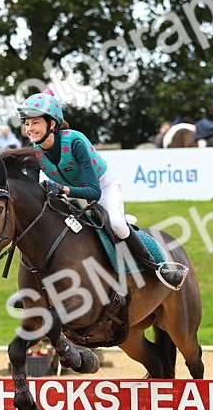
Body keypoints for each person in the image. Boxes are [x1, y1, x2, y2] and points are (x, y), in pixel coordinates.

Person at [18, 90, 186, 289]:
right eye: (27, 123)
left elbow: (93, 191)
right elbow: (33, 192)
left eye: (35, 122)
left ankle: (157, 267)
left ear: (52, 124)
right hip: (70, 195)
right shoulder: (32, 153)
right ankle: (32, 285)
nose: (29, 128)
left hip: (102, 187)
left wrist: (62, 189)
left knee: (116, 224)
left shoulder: (75, 142)